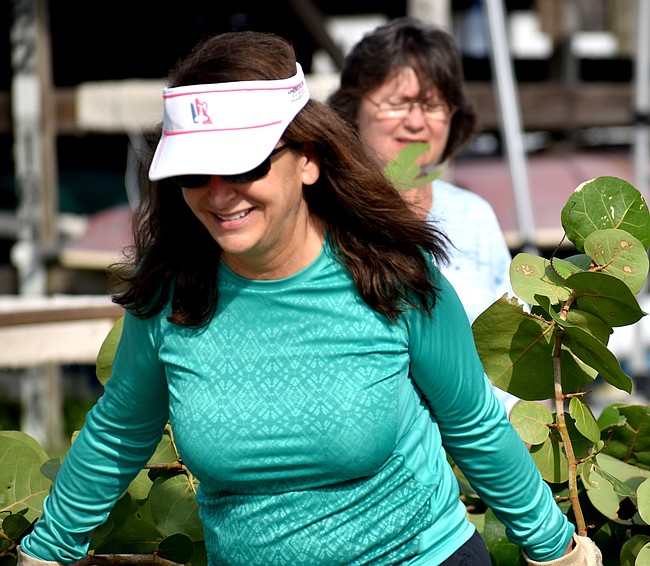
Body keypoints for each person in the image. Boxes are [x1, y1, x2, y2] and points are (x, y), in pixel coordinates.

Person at [16, 31, 601, 566]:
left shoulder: (391, 276)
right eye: (194, 172)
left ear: (309, 160)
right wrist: (45, 553)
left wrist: (556, 551)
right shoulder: (172, 291)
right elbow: (120, 430)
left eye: (244, 164)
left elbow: (472, 424)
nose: (219, 194)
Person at [327, 17, 512, 326]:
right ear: (353, 110)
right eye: (397, 103)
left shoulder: (474, 215)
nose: (415, 122)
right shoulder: (326, 209)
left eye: (432, 105)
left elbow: (512, 338)